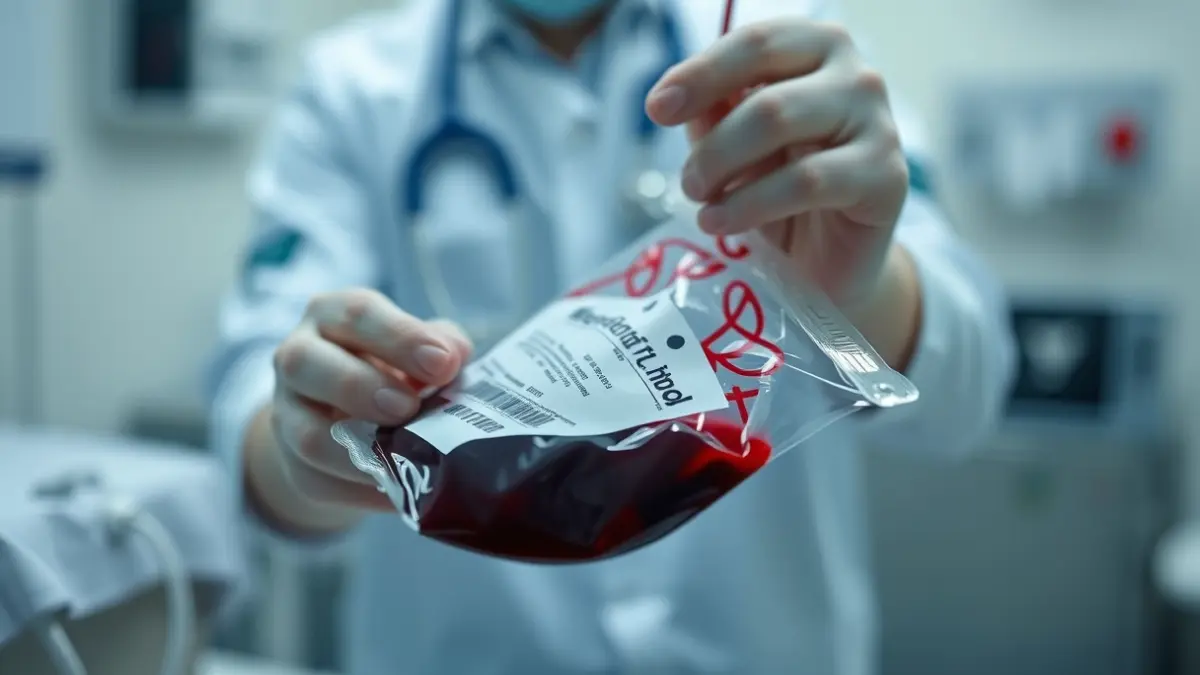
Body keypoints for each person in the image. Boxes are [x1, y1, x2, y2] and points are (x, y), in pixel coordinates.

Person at [207, 0, 1016, 673]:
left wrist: (859, 293)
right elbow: (259, 401)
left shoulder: (785, 50)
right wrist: (304, 444)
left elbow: (973, 382)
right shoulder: (353, 86)